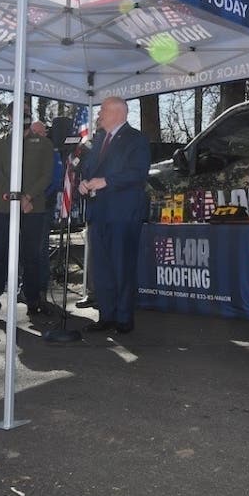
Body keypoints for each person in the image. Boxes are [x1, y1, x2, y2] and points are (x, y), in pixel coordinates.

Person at [78, 96, 151, 334]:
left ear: (119, 113)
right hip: (99, 213)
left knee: (122, 266)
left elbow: (138, 174)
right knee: (102, 268)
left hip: (123, 213)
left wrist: (106, 181)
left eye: (103, 111)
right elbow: (88, 169)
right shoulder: (99, 140)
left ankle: (123, 317)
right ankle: (106, 315)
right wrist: (84, 182)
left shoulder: (136, 139)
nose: (99, 115)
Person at [0, 105, 55, 322]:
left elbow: (46, 175)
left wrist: (28, 197)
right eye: (18, 113)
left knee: (32, 256)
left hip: (33, 208)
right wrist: (15, 197)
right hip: (6, 208)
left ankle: (33, 301)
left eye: (26, 112)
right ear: (9, 117)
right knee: (0, 255)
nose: (23, 116)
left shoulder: (43, 143)